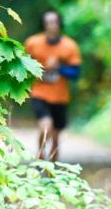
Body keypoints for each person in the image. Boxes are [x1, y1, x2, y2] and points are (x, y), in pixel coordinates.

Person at [24, 10, 81, 162]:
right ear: (43, 24)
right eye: (48, 22)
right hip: (39, 93)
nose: (52, 26)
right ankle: (40, 158)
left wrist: (59, 68)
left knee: (55, 138)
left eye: (55, 22)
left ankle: (52, 171)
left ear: (59, 24)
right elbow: (23, 66)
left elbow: (76, 73)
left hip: (60, 96)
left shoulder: (69, 46)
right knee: (45, 127)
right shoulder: (32, 43)